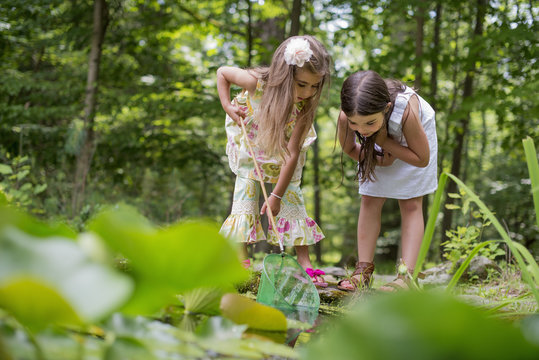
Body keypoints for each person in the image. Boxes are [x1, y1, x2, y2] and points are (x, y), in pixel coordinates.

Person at [217, 36, 331, 287]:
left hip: (283, 155)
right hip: (254, 146)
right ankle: (241, 260)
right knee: (245, 196)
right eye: (302, 84)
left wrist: (276, 196)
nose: (308, 93)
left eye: (315, 86)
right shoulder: (256, 83)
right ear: (284, 74)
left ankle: (304, 262)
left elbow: (291, 154)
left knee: (292, 198)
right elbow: (223, 73)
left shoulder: (305, 108)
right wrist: (228, 106)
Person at [336, 70, 437, 291]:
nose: (361, 130)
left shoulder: (405, 112)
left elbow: (421, 159)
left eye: (368, 123)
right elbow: (351, 147)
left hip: (415, 142)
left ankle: (407, 277)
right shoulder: (350, 115)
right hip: (378, 143)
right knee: (370, 198)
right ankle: (363, 270)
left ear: (386, 108)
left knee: (410, 203)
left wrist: (386, 143)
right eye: (355, 124)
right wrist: (377, 158)